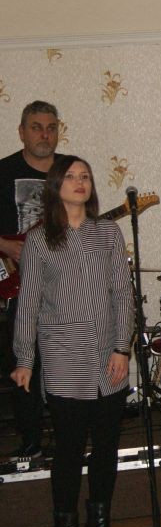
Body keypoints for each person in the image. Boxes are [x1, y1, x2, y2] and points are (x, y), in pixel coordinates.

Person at [12, 155, 134, 527]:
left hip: (109, 357)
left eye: (85, 176)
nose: (80, 182)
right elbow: (28, 304)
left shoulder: (108, 233)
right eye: (71, 176)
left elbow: (123, 294)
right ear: (55, 185)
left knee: (106, 446)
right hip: (64, 355)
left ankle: (97, 523)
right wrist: (24, 359)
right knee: (68, 449)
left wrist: (121, 348)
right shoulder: (39, 240)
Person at [0, 101, 69, 459]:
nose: (45, 134)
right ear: (22, 132)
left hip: (62, 284)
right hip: (17, 282)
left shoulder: (70, 170)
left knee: (65, 361)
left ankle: (69, 433)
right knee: (24, 361)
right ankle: (30, 440)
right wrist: (5, 245)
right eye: (37, 127)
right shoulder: (3, 171)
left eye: (51, 127)